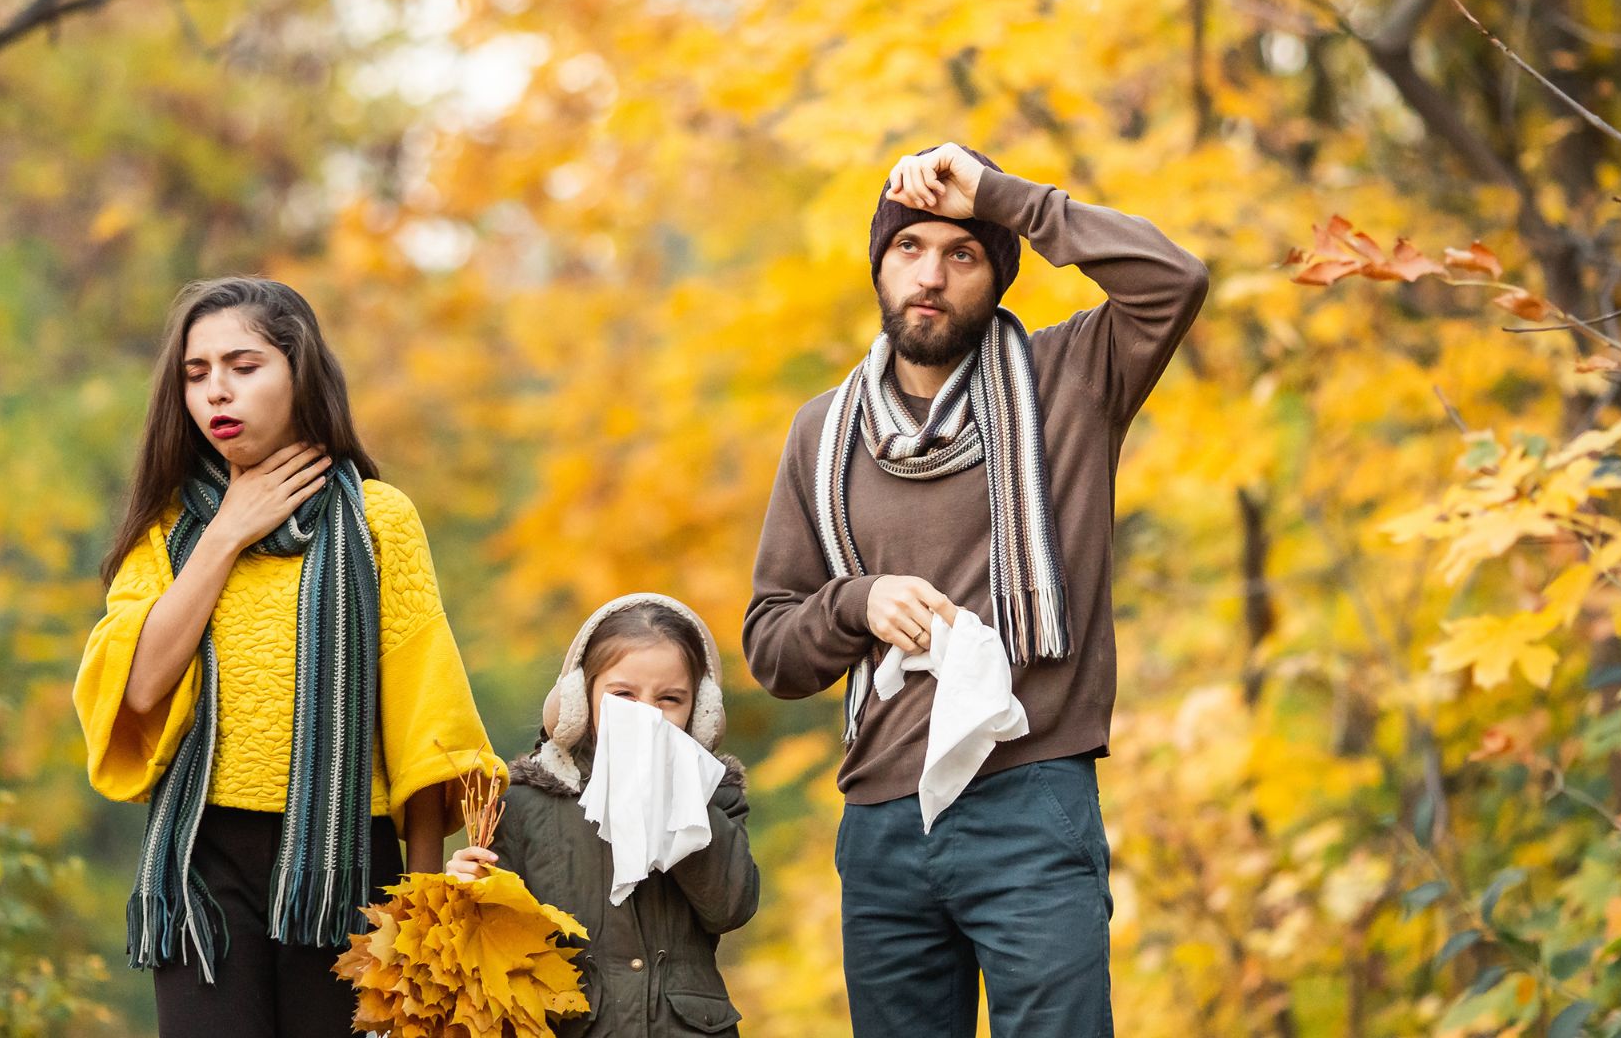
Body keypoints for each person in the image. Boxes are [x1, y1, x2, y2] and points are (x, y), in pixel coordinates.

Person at [743, 143, 1209, 1036]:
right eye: (909, 247)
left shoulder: (1070, 377)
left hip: (1031, 803)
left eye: (963, 254)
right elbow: (771, 647)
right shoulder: (823, 431)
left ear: (997, 277)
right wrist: (857, 603)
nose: (931, 274)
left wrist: (1002, 197)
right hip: (881, 824)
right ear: (878, 266)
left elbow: (1174, 279)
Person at [73, 276, 504, 1037]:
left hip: (349, 867)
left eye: (243, 366)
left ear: (298, 370)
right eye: (196, 374)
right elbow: (138, 686)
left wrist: (426, 900)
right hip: (203, 862)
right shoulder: (170, 529)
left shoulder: (380, 518)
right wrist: (227, 533)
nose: (217, 393)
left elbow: (421, 714)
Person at [448, 594, 759, 1038]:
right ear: (579, 699)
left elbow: (730, 907)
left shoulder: (714, 795)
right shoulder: (521, 802)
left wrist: (680, 798)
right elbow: (494, 948)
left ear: (700, 712)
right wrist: (465, 896)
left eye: (670, 699)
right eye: (623, 696)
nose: (647, 715)